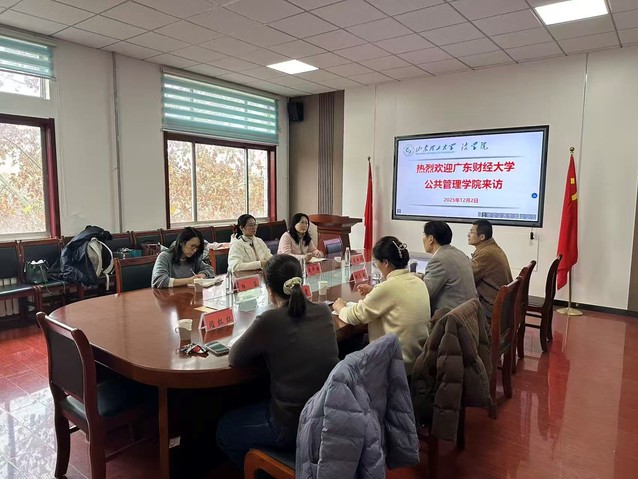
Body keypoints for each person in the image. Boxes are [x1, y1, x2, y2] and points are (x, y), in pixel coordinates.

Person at [216, 254, 339, 469]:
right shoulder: (323, 310)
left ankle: (265, 470)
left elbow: (234, 357)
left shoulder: (270, 319)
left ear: (269, 290)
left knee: (225, 430)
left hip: (289, 425)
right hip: (326, 416)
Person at [333, 236, 430, 375]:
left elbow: (354, 316)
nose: (376, 266)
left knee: (344, 351)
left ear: (385, 263)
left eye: (375, 263)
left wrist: (340, 307)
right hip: (418, 359)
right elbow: (396, 298)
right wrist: (374, 292)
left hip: (396, 364)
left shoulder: (388, 287)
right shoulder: (418, 281)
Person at [422, 221, 478, 313]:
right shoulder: (459, 253)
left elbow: (423, 293)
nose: (423, 238)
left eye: (424, 234)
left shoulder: (439, 260)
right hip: (468, 314)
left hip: (451, 318)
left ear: (431, 239)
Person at [468, 219, 513, 318]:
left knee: (455, 309)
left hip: (492, 307)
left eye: (471, 232)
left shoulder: (486, 254)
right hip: (503, 303)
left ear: (482, 237)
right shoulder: (491, 248)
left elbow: (467, 276)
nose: (468, 235)